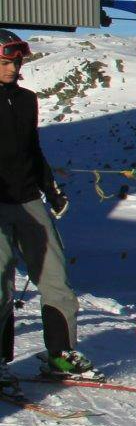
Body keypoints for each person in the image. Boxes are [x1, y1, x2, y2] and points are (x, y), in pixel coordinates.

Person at [0, 29, 92, 379]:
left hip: (28, 199)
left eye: (16, 62)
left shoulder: (25, 100)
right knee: (0, 281)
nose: (12, 68)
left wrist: (50, 189)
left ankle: (61, 352)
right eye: (6, 62)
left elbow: (32, 149)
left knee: (56, 280)